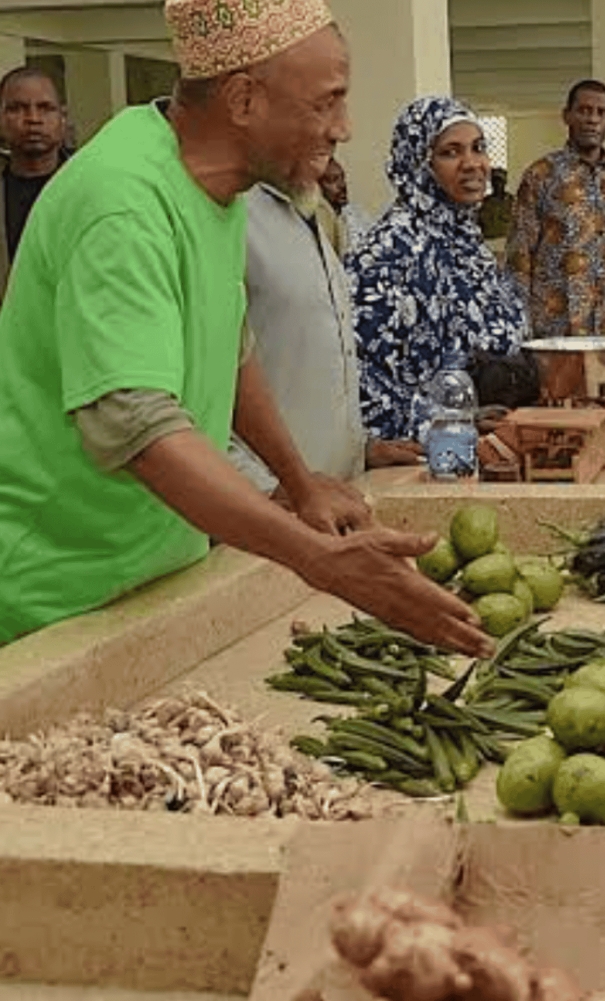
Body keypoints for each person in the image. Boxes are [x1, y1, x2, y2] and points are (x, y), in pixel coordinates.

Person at [0, 0, 491, 656]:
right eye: (326, 102)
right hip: (59, 596)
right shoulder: (122, 203)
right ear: (243, 100)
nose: (343, 128)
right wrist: (315, 557)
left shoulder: (215, 187)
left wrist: (300, 484)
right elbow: (134, 422)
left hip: (157, 568)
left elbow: (229, 345)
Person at [350, 96, 529, 447]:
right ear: (419, 164)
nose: (472, 164)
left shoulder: (467, 242)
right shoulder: (391, 251)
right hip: (436, 453)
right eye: (450, 152)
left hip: (492, 439)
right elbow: (357, 375)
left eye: (478, 148)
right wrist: (448, 422)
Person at [229, 175, 376, 496]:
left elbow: (305, 359)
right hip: (262, 501)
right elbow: (204, 396)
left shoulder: (306, 212)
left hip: (328, 498)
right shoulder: (236, 214)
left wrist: (361, 450)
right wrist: (274, 490)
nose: (339, 132)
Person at [507, 80, 605, 338]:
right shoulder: (542, 175)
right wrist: (520, 329)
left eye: (601, 113)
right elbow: (519, 256)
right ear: (567, 116)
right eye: (584, 111)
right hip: (557, 329)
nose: (592, 120)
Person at [0, 66, 68, 295]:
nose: (33, 119)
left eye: (45, 108)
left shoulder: (89, 184)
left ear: (62, 118)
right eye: (17, 108)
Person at [316, 156, 372, 258]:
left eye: (342, 178)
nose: (342, 185)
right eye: (333, 180)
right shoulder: (317, 223)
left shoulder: (358, 214)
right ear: (317, 186)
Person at [477, 166, 514, 242]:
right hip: (488, 241)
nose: (497, 184)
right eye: (495, 181)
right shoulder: (485, 202)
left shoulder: (512, 201)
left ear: (504, 183)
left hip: (506, 241)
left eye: (500, 181)